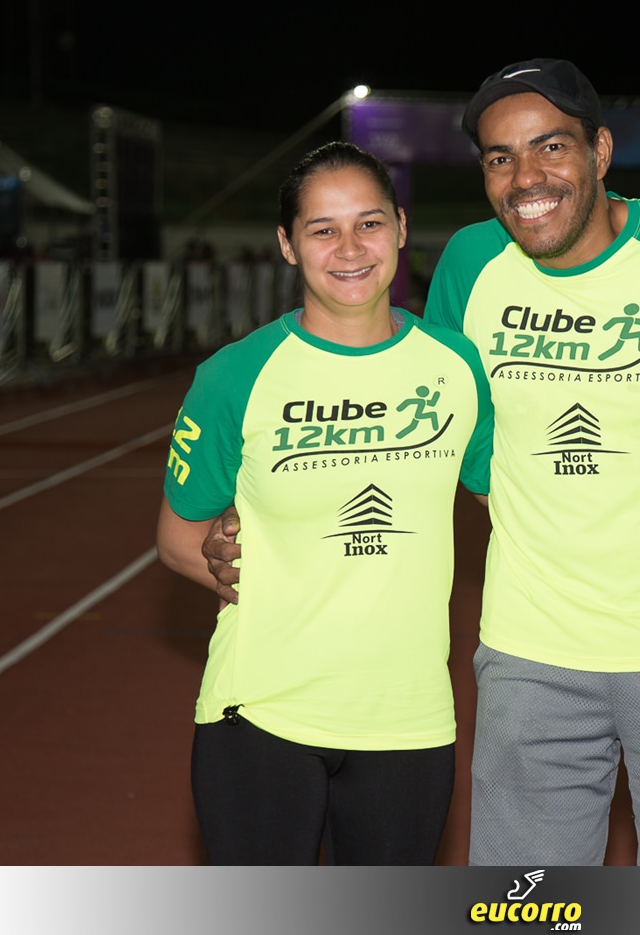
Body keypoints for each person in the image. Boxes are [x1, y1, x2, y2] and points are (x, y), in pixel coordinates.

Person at [205, 60, 640, 867]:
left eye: (550, 147)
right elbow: (413, 426)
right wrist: (253, 513)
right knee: (525, 907)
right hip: (528, 657)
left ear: (600, 151)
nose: (526, 178)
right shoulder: (470, 265)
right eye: (501, 157)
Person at [156, 141, 493, 865]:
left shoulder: (457, 366)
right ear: (287, 245)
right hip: (261, 712)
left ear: (401, 229)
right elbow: (181, 540)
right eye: (322, 229)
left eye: (369, 223)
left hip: (408, 718)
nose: (350, 248)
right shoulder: (235, 377)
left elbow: (517, 503)